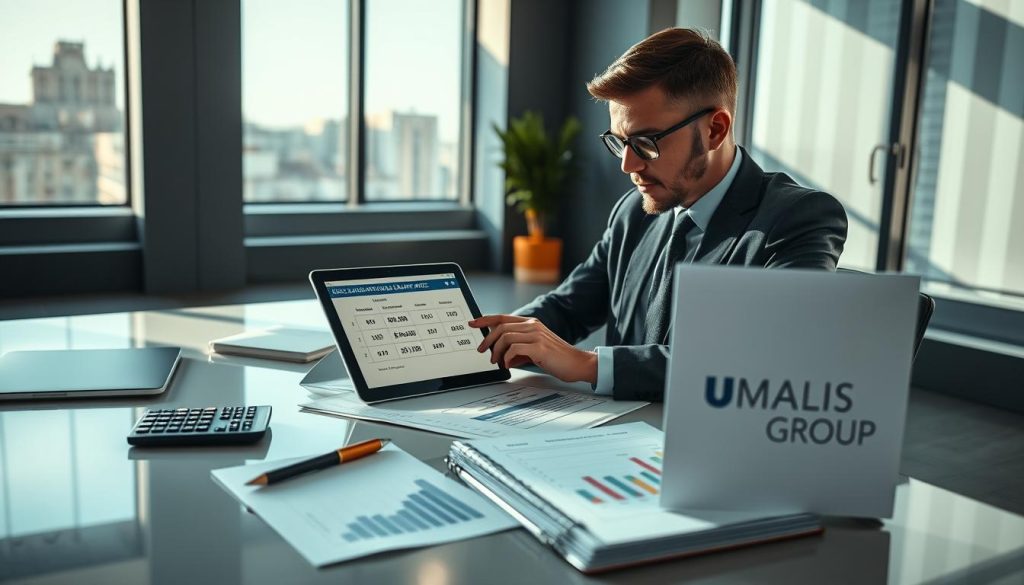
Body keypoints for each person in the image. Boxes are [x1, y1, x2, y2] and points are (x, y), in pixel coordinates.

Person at [469, 28, 848, 402]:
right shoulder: (633, 211)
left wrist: (587, 365)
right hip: (612, 439)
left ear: (715, 129)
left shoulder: (800, 218)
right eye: (619, 143)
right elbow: (568, 306)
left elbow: (768, 355)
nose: (628, 165)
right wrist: (487, 343)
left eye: (646, 143)